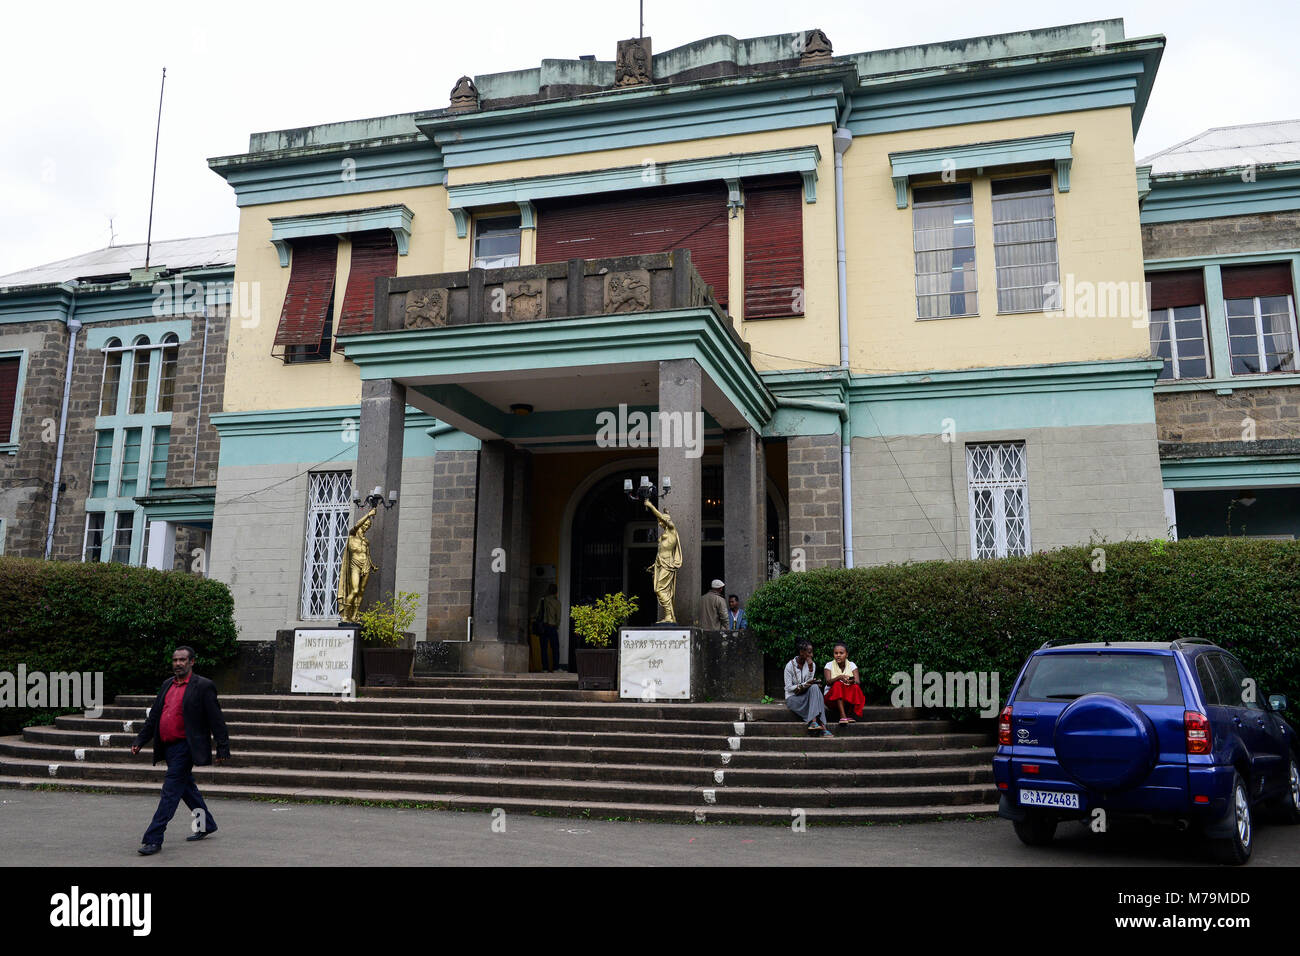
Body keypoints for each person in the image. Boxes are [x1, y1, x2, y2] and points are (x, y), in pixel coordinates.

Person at [131, 645, 230, 855]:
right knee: (186, 789)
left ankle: (153, 838)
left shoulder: (203, 686)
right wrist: (141, 739)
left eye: (182, 660)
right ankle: (206, 824)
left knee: (170, 792)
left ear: (192, 662)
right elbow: (155, 715)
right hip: (167, 746)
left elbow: (216, 719)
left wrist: (222, 748)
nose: (178, 664)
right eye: (175, 660)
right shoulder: (167, 684)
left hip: (186, 747)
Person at [783, 640, 832, 736]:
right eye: (809, 652)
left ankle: (814, 722)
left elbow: (810, 684)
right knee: (816, 696)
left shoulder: (812, 665)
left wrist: (810, 670)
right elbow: (788, 688)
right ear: (801, 652)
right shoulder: (789, 666)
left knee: (814, 687)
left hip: (806, 695)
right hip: (793, 698)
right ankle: (822, 727)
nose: (812, 655)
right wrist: (803, 685)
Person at [823, 642, 866, 724]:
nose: (838, 655)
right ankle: (843, 716)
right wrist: (840, 677)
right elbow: (828, 682)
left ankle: (849, 714)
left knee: (855, 687)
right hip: (831, 699)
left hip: (846, 698)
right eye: (836, 653)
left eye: (841, 653)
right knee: (838, 684)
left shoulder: (852, 665)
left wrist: (852, 681)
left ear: (847, 654)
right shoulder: (829, 665)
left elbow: (857, 682)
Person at [534, 583, 562, 672]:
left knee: (544, 648)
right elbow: (558, 617)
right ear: (556, 592)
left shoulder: (542, 600)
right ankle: (556, 668)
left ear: (548, 590)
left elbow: (537, 612)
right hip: (552, 627)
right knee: (555, 648)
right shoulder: (557, 602)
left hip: (543, 626)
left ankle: (545, 668)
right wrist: (556, 625)